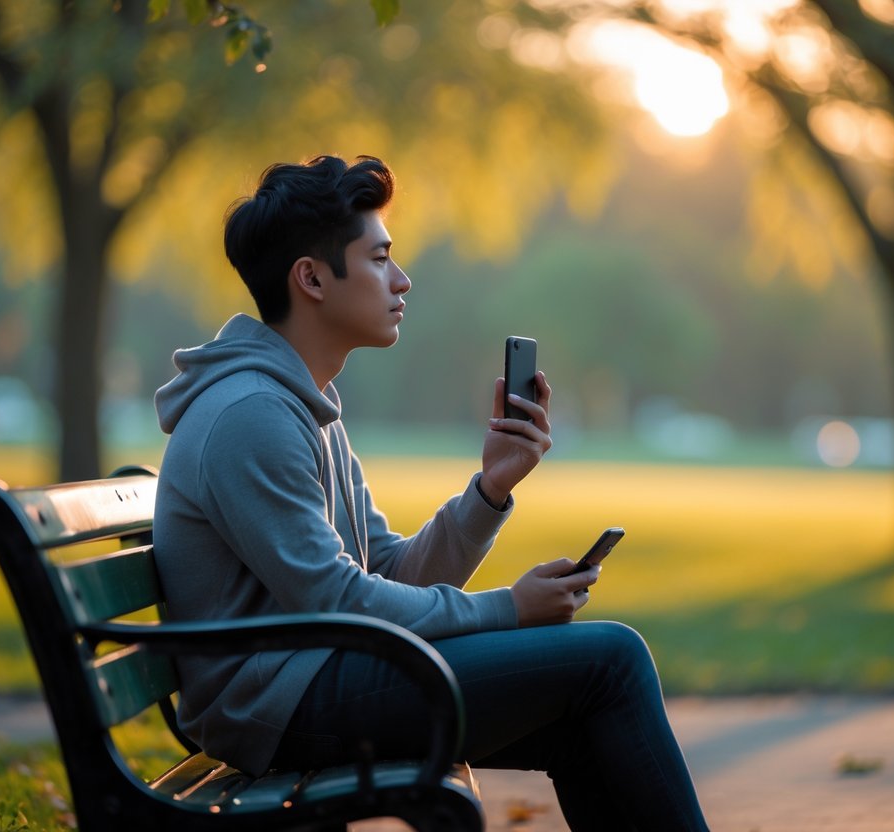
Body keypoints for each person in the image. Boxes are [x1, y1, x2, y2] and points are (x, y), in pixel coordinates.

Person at [152, 155, 709, 830]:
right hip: (276, 710)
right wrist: (506, 609)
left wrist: (490, 489)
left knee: (585, 699)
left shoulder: (302, 403)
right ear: (311, 278)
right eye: (379, 258)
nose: (401, 279)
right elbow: (335, 601)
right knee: (610, 659)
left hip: (310, 679)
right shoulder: (253, 415)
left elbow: (388, 573)